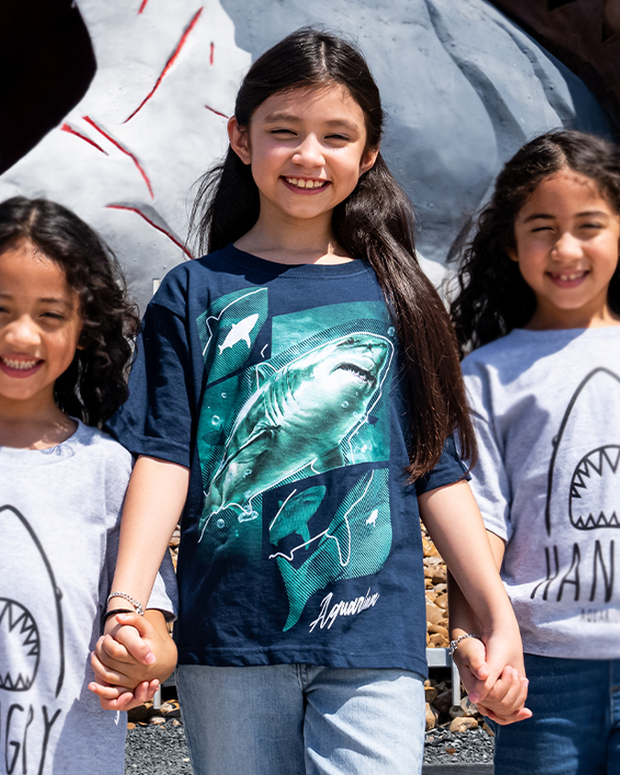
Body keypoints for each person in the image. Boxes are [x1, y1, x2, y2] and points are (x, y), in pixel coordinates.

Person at [102, 28, 526, 775]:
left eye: (337, 136)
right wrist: (126, 603)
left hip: (372, 642)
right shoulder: (193, 292)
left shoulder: (400, 295)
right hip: (229, 638)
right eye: (283, 131)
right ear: (240, 138)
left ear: (368, 154)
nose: (309, 155)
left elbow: (437, 468)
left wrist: (494, 616)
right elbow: (165, 455)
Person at [450, 129, 620, 774]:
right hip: (539, 674)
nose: (566, 248)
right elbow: (479, 527)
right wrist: (470, 639)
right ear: (511, 243)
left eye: (590, 225)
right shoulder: (485, 378)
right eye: (543, 227)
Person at [0, 196, 178, 775]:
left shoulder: (107, 469)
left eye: (50, 314)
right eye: (0, 309)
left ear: (83, 328)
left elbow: (154, 627)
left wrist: (139, 659)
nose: (22, 336)